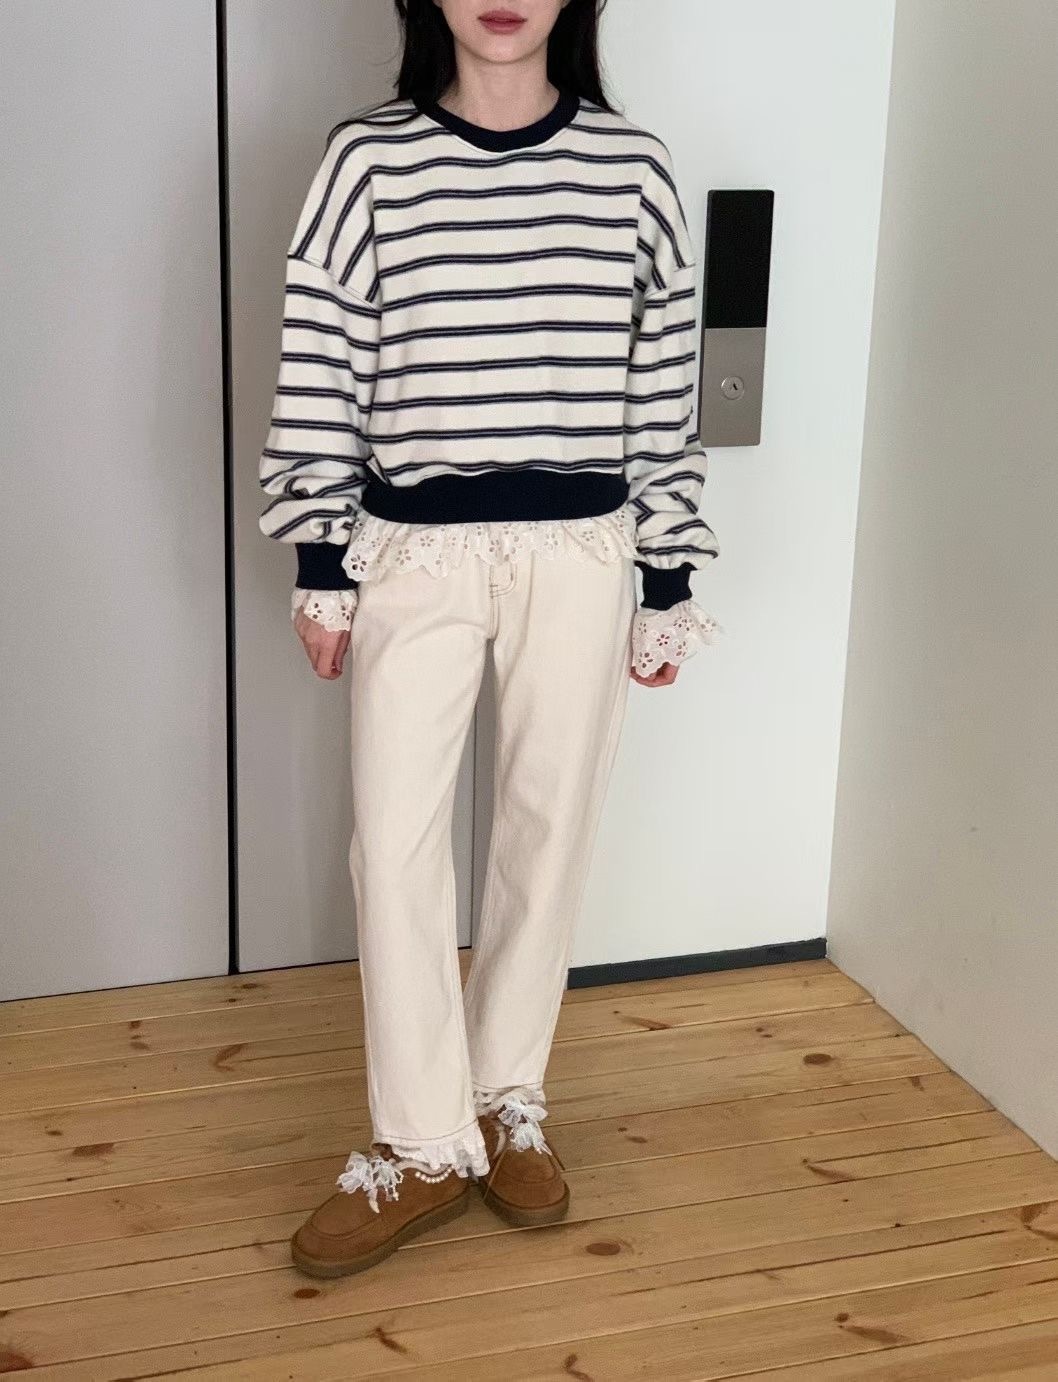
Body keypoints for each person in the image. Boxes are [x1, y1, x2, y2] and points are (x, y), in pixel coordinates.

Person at [258, 0, 721, 1279]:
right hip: (413, 553)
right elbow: (321, 358)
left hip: (580, 551)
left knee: (544, 829)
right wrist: (319, 561)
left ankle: (505, 1094)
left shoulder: (631, 168)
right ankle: (419, 1139)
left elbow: (661, 387)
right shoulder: (367, 160)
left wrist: (666, 574)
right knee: (395, 842)